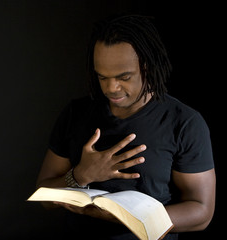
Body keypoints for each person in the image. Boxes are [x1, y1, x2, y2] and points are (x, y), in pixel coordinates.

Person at [35, 14, 215, 240]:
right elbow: (43, 199)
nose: (111, 88)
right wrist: (80, 175)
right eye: (102, 77)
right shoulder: (77, 113)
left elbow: (202, 212)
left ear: (147, 67)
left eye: (124, 77)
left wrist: (132, 218)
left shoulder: (184, 122)